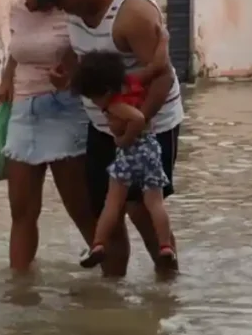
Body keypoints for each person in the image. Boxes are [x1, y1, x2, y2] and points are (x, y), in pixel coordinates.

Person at [34, 0, 183, 277]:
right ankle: (111, 299)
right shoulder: (75, 12)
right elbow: (83, 54)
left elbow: (164, 76)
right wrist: (69, 77)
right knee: (106, 210)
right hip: (103, 126)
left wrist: (134, 125)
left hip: (149, 126)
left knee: (142, 211)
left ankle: (165, 295)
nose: (59, 9)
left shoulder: (133, 15)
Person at [0, 0, 96, 274]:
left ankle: (109, 280)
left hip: (64, 111)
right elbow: (17, 50)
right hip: (24, 112)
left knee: (80, 208)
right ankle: (19, 288)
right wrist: (7, 77)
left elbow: (91, 57)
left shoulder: (72, 13)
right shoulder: (17, 12)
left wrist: (72, 73)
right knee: (21, 211)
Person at [71, 49, 178, 271]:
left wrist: (123, 140)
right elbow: (156, 65)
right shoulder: (132, 82)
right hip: (150, 150)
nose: (94, 102)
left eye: (93, 96)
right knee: (154, 204)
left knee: (112, 202)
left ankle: (99, 245)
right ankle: (165, 246)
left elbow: (138, 118)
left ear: (105, 90)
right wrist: (163, 39)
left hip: (128, 154)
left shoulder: (113, 105)